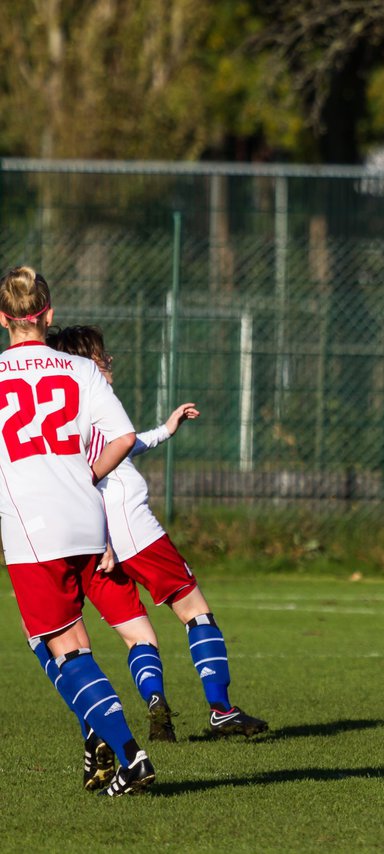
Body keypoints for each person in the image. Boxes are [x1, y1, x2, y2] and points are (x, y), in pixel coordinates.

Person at [36, 325, 268, 746]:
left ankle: (157, 701)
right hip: (133, 527)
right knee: (196, 610)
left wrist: (164, 429)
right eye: (103, 355)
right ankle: (220, 708)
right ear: (88, 361)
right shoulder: (95, 398)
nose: (109, 362)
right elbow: (117, 446)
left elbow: (116, 446)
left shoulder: (63, 409)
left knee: (138, 635)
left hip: (96, 537)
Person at [0, 266, 154, 796]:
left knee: (63, 649)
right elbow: (124, 436)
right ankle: (97, 736)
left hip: (33, 529)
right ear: (49, 315)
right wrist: (83, 476)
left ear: (3, 318)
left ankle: (129, 754)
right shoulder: (80, 371)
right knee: (56, 637)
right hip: (88, 519)